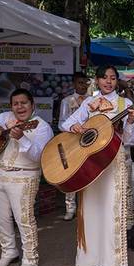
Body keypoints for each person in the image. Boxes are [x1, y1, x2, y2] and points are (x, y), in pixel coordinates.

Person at [61, 65, 134, 266]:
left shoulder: (126, 104)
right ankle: (87, 261)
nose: (108, 81)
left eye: (112, 78)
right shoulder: (89, 103)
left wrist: (130, 122)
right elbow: (65, 124)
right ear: (96, 80)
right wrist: (77, 126)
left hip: (114, 164)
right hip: (89, 163)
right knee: (90, 211)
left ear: (117, 82)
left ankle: (114, 264)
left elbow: (131, 140)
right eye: (104, 78)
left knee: (111, 212)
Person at [0, 89, 53, 266]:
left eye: (23, 103)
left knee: (24, 219)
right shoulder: (6, 118)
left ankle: (30, 258)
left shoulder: (41, 126)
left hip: (25, 176)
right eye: (15, 103)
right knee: (0, 218)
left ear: (32, 105)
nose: (19, 107)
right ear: (11, 106)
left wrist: (22, 138)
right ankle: (8, 251)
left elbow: (40, 156)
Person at [58, 72, 90, 221]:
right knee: (70, 173)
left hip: (88, 140)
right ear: (74, 84)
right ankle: (70, 207)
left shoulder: (92, 101)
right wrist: (72, 128)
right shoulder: (66, 101)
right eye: (80, 83)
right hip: (71, 140)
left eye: (85, 83)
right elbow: (61, 123)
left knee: (85, 172)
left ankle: (85, 207)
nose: (83, 85)